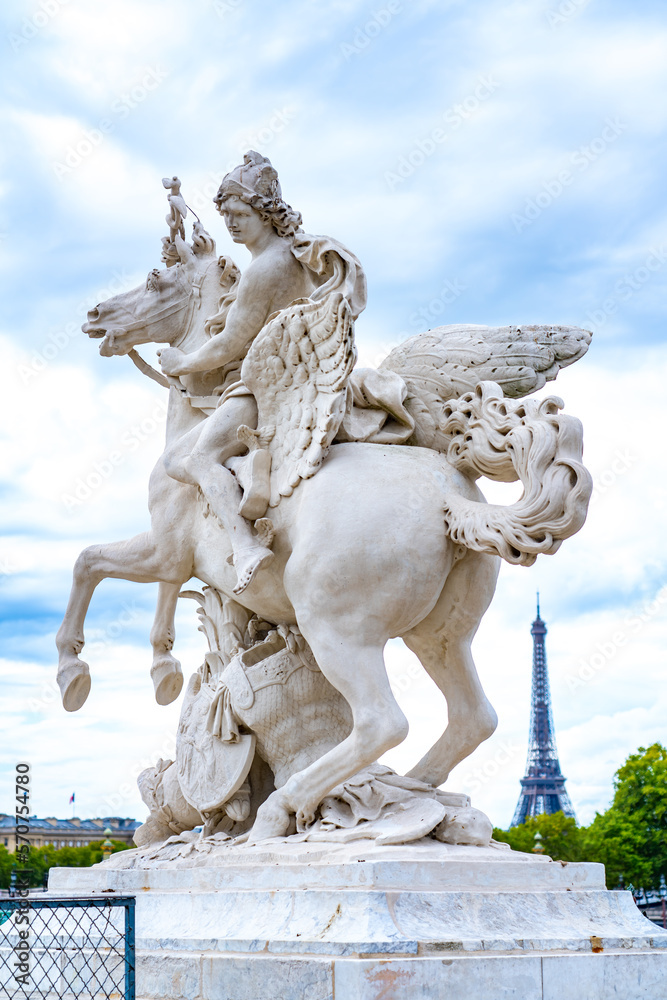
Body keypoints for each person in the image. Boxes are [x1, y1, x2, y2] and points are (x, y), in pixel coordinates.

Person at [158, 152, 366, 594]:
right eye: (226, 215)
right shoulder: (300, 254)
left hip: (261, 389)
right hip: (301, 377)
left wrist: (183, 363)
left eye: (239, 213)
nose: (230, 223)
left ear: (265, 214)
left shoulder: (265, 269)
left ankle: (245, 544)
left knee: (187, 459)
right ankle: (242, 466)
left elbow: (231, 343)